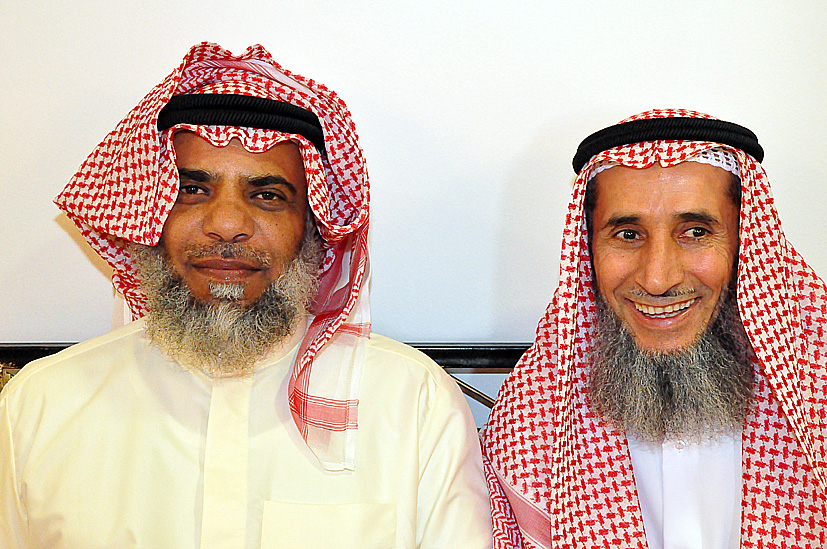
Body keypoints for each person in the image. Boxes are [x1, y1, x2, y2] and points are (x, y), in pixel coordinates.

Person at [0, 42, 491, 548]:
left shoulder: (414, 406)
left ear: (314, 228)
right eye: (192, 190)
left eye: (267, 195)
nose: (228, 225)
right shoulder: (40, 407)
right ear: (149, 214)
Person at [483, 109, 827, 548]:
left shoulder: (816, 385)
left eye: (696, 232)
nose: (658, 278)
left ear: (746, 241)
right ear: (588, 248)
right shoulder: (535, 413)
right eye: (627, 235)